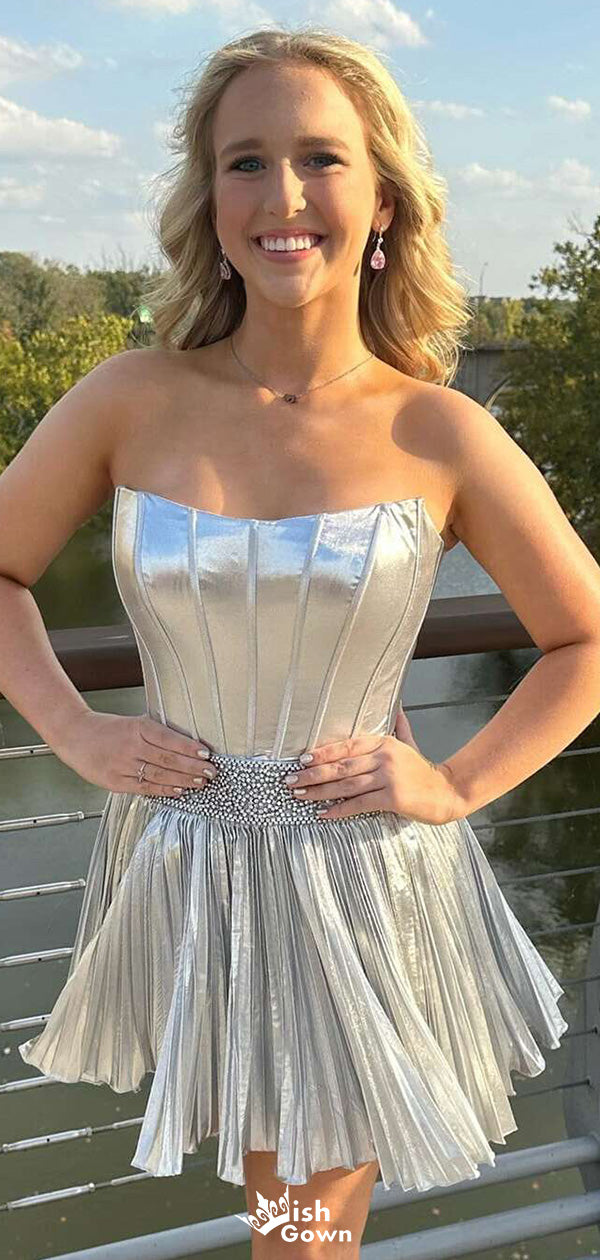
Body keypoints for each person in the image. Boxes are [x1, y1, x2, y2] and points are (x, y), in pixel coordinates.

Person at [2, 24, 599, 1260]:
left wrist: (455, 782)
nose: (282, 197)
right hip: (186, 868)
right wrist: (73, 727)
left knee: (304, 1237)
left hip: (360, 882)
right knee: (281, 1214)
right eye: (246, 162)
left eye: (322, 158)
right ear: (209, 199)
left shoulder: (440, 430)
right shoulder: (128, 397)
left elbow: (584, 639)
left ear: (383, 197)